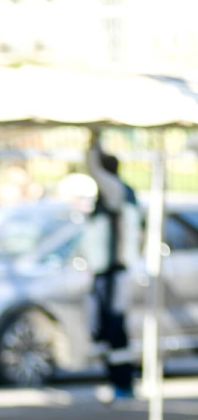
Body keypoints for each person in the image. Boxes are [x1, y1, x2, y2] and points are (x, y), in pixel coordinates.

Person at [86, 133, 140, 400]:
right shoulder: (118, 193)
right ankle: (118, 381)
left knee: (115, 328)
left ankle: (123, 383)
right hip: (107, 273)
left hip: (114, 273)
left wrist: (92, 139)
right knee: (107, 329)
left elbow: (93, 168)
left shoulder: (115, 190)